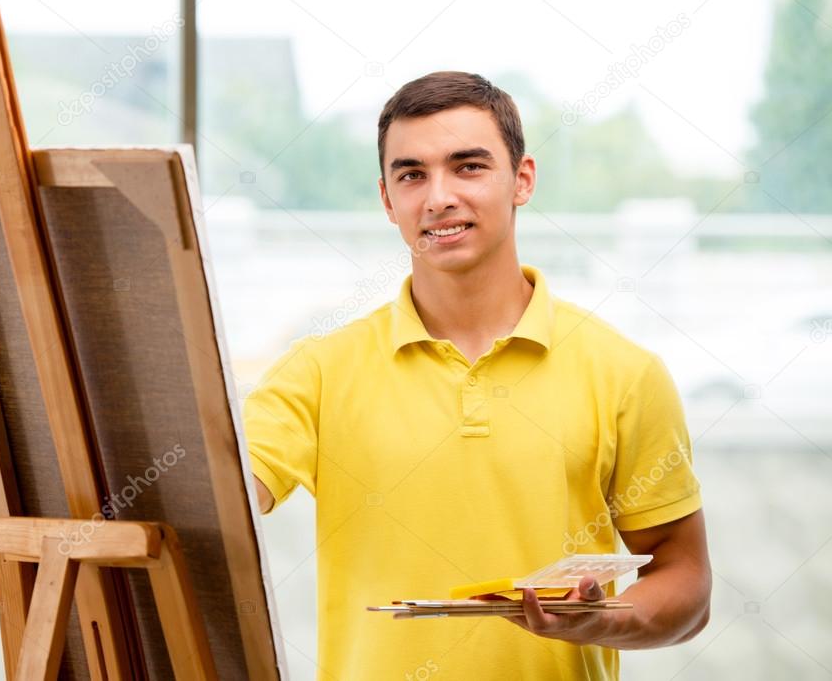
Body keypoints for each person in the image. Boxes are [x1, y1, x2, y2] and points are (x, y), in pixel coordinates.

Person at [244, 71, 711, 680]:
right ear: (387, 200)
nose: (438, 196)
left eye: (468, 167)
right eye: (411, 174)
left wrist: (607, 620)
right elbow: (224, 496)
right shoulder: (317, 372)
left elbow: (686, 581)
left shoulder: (625, 373)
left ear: (522, 180)